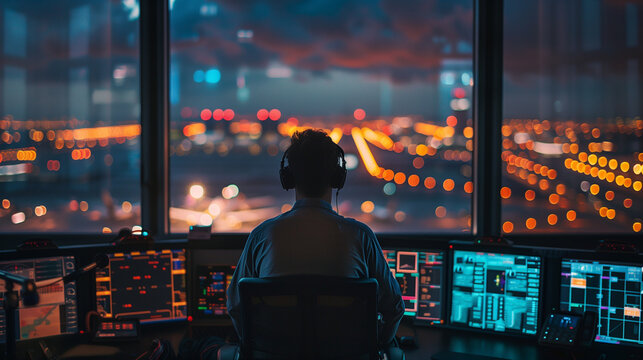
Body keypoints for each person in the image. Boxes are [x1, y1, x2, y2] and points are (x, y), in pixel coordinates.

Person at [226, 129, 404, 347]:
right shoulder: (361, 237)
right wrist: (375, 348)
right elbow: (394, 307)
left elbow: (235, 306)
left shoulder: (261, 237)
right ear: (338, 178)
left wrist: (258, 348)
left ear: (288, 178)